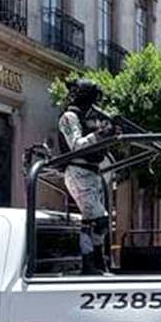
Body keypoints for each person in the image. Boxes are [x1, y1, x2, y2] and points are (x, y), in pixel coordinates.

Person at [58, 79, 117, 275]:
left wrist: (111, 134)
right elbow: (76, 145)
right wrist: (100, 134)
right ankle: (90, 262)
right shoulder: (69, 117)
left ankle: (96, 262)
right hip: (78, 172)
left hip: (93, 173)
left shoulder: (91, 119)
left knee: (92, 221)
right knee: (99, 220)